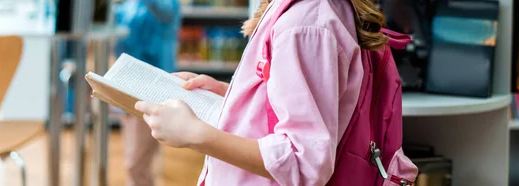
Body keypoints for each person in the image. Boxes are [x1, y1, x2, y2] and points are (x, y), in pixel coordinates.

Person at [133, 0, 386, 185]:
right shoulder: (302, 14)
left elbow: (304, 161)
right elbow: (291, 103)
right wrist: (228, 95)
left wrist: (195, 134)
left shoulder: (303, 25)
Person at [112, 0, 181, 185]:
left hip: (153, 89)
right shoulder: (128, 6)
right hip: (128, 84)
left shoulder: (167, 4)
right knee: (134, 161)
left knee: (135, 164)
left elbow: (166, 13)